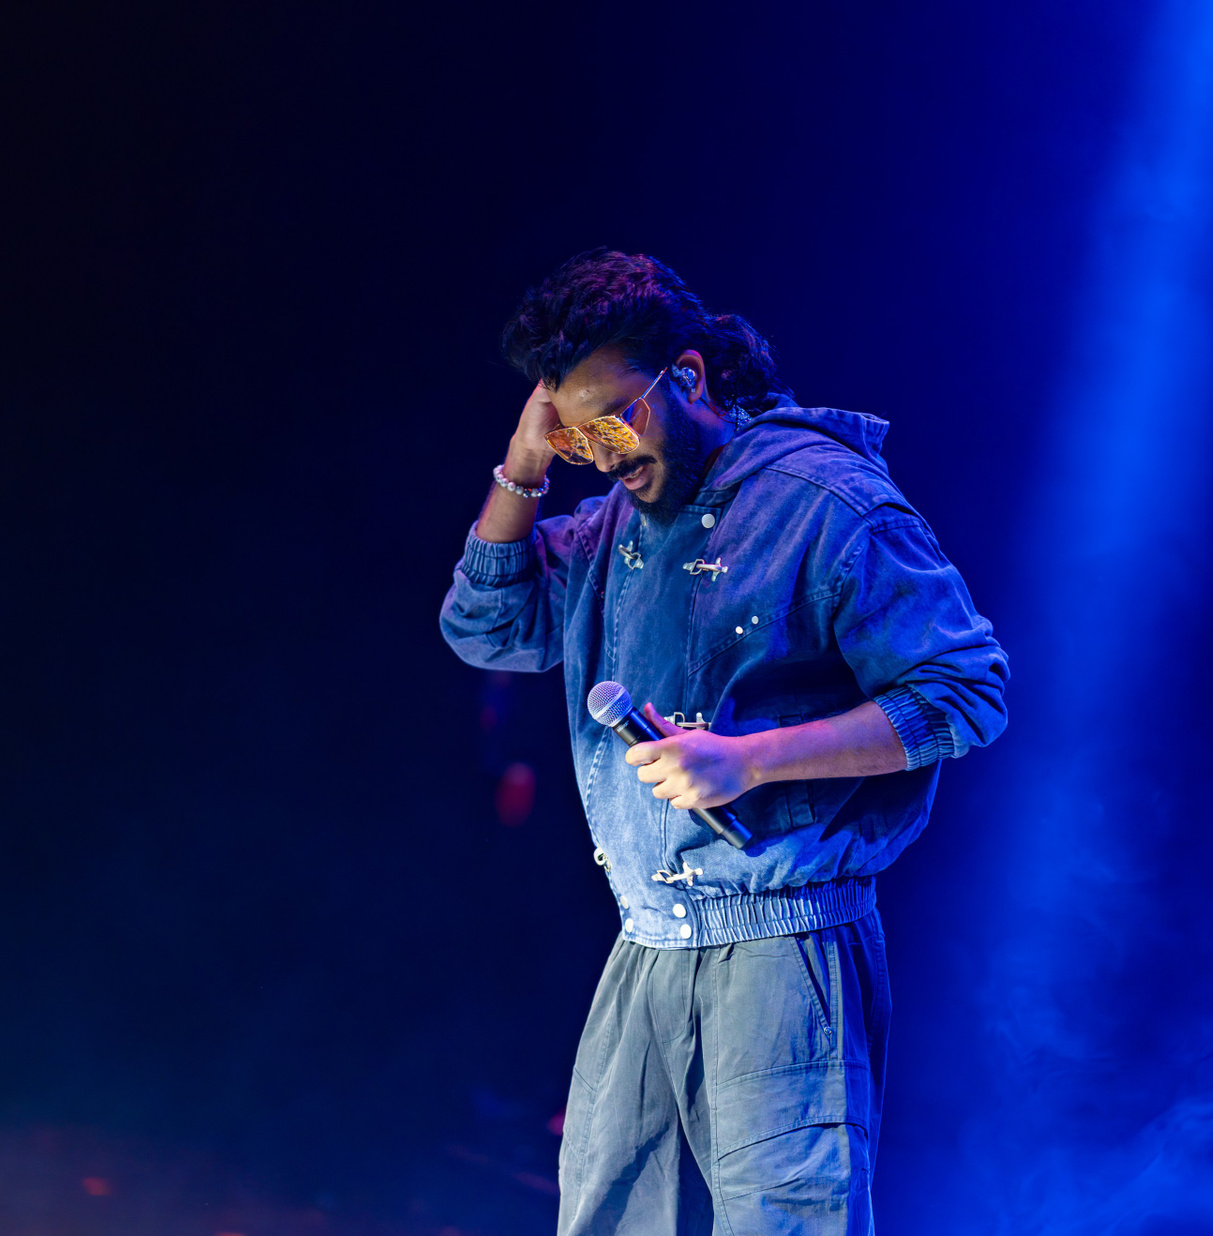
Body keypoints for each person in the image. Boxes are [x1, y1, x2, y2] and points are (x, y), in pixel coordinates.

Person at [439, 250, 1009, 1235]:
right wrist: (525, 465)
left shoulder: (825, 503)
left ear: (690, 377)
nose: (601, 456)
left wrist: (750, 759)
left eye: (614, 421)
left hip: (784, 942)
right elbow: (484, 629)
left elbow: (966, 691)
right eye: (576, 438)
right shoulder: (612, 524)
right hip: (648, 944)